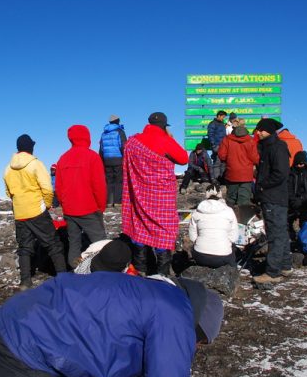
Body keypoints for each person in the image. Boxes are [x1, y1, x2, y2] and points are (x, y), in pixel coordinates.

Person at [0, 271, 224, 377]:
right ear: (196, 326)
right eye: (199, 343)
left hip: (42, 332)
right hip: (22, 340)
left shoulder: (153, 299)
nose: (194, 350)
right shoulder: (174, 315)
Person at [122, 112, 189, 276]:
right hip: (161, 196)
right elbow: (183, 158)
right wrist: (170, 138)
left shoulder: (133, 142)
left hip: (139, 193)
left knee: (140, 224)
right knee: (163, 229)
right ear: (164, 126)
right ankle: (162, 274)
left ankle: (140, 269)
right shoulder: (165, 140)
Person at [4, 134, 67, 290]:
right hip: (36, 210)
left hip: (20, 212)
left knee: (24, 247)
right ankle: (64, 277)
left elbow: (8, 192)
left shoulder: (8, 168)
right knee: (53, 244)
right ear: (30, 147)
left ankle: (25, 281)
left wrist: (19, 202)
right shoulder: (35, 164)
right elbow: (47, 188)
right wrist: (45, 204)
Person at [55, 125, 107, 267]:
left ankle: (75, 272)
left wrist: (64, 204)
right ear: (87, 137)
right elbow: (99, 186)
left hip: (70, 210)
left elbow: (58, 187)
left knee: (74, 244)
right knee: (100, 243)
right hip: (89, 208)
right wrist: (100, 206)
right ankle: (104, 272)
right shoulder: (92, 157)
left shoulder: (63, 158)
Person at [252, 119, 292, 284]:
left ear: (269, 131)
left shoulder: (276, 148)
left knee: (275, 234)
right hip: (276, 196)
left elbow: (280, 173)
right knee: (280, 232)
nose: (258, 133)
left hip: (273, 196)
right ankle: (285, 265)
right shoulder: (271, 146)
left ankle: (272, 272)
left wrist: (262, 186)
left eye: (261, 130)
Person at [188, 184, 239, 268]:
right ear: (220, 194)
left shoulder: (197, 211)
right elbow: (234, 237)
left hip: (200, 256)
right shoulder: (229, 211)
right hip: (223, 257)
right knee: (232, 248)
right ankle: (233, 271)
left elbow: (192, 236)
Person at [218, 125, 259, 206]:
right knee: (244, 199)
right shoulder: (250, 140)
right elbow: (255, 158)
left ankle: (230, 217)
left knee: (231, 198)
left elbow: (222, 155)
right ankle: (242, 217)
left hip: (232, 173)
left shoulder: (227, 139)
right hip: (246, 174)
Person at [98, 114, 127, 207]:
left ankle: (109, 201)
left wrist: (102, 160)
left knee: (108, 181)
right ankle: (118, 202)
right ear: (118, 121)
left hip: (107, 160)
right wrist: (125, 158)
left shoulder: (104, 133)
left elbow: (101, 148)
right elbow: (123, 146)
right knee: (119, 180)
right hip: (118, 159)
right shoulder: (120, 131)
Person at [207, 110, 228, 183]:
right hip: (217, 145)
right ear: (219, 116)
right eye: (223, 117)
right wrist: (214, 145)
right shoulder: (213, 124)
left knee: (223, 162)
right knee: (217, 162)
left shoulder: (222, 124)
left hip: (224, 146)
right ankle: (216, 179)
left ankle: (222, 178)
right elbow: (210, 134)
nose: (223, 118)